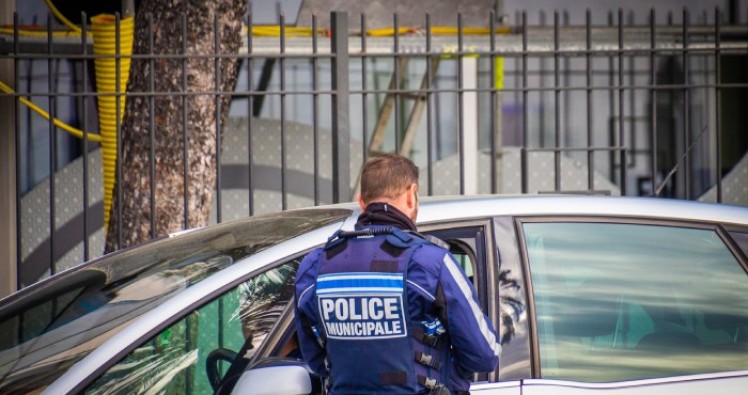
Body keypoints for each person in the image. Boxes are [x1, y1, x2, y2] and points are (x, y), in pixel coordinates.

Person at [294, 154, 500, 394]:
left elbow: (314, 357)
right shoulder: (432, 263)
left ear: (361, 202)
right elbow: (484, 355)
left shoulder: (314, 267)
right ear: (411, 195)